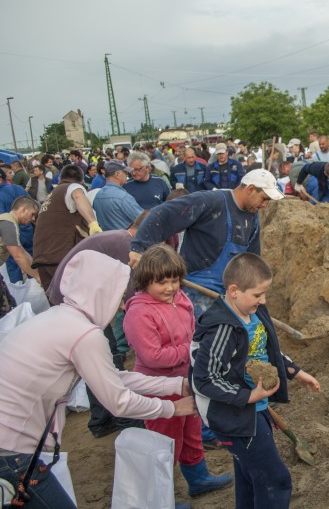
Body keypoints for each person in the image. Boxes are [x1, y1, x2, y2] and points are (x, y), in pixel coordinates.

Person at [0, 251, 197, 509]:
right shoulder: (84, 335)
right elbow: (119, 402)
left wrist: (174, 385)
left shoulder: (59, 318)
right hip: (13, 451)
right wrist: (172, 407)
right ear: (102, 292)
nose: (120, 304)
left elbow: (112, 377)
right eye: (118, 294)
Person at [191, 253, 321, 509]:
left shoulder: (254, 313)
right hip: (233, 417)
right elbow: (204, 379)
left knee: (250, 476)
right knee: (276, 480)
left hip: (253, 410)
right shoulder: (223, 329)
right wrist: (247, 396)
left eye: (265, 294)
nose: (263, 301)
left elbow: (267, 349)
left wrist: (294, 371)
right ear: (234, 291)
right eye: (258, 295)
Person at [124, 245, 232, 498]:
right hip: (157, 387)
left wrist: (198, 347)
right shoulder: (139, 312)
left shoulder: (181, 300)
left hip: (187, 380)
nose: (170, 288)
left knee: (191, 432)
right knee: (165, 442)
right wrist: (194, 349)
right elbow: (153, 356)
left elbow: (194, 330)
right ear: (145, 280)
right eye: (162, 283)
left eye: (174, 281)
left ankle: (199, 479)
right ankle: (162, 497)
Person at [47, 211, 151, 438]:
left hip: (70, 294)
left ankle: (101, 420)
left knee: (99, 359)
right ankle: (125, 419)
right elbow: (133, 299)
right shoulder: (128, 245)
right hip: (74, 299)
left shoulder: (120, 238)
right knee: (107, 357)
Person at [130, 169, 284, 315]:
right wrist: (139, 247)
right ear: (250, 189)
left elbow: (251, 258)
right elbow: (164, 213)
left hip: (228, 294)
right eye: (264, 199)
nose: (265, 205)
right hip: (196, 291)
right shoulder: (211, 201)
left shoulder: (252, 217)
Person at [32, 164, 102, 292]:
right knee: (75, 300)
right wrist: (93, 224)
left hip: (42, 258)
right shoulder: (72, 187)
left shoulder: (52, 196)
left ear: (60, 179)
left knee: (56, 304)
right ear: (81, 181)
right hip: (60, 258)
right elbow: (78, 195)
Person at [93, 159, 144, 231]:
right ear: (117, 174)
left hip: (107, 239)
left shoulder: (98, 195)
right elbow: (143, 220)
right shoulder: (123, 197)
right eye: (125, 172)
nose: (127, 175)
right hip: (125, 239)